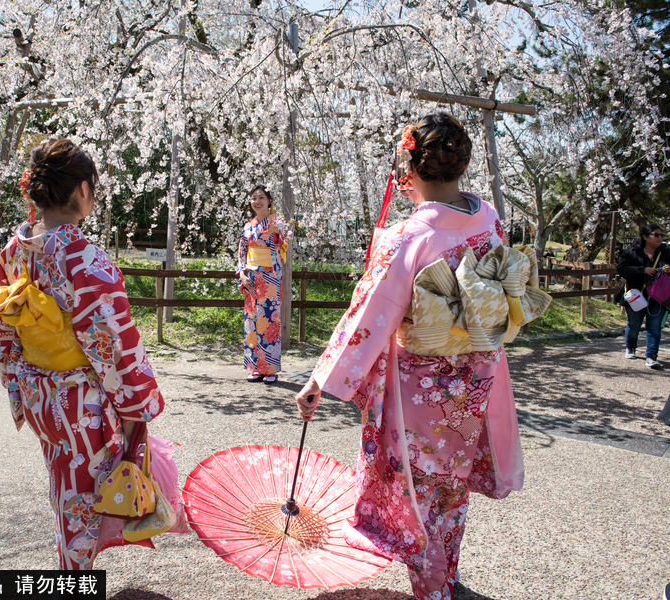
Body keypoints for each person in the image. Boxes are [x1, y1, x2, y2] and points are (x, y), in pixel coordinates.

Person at [294, 113, 548, 600]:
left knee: (420, 490)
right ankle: (443, 577)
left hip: (424, 386)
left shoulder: (410, 236)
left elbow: (371, 313)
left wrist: (321, 378)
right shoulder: (487, 218)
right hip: (475, 375)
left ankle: (431, 588)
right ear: (462, 165)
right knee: (449, 489)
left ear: (408, 168)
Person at [0, 139, 168, 569]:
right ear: (83, 190)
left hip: (38, 393)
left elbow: (2, 332)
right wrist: (134, 411)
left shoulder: (13, 252)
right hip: (80, 406)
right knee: (82, 514)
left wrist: (18, 388)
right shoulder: (84, 259)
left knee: (66, 492)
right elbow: (115, 345)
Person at [235, 185, 289, 384]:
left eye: (261, 197)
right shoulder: (248, 226)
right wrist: (241, 274)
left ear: (269, 200)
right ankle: (254, 367)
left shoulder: (277, 221)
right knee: (251, 321)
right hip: (250, 278)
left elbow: (285, 243)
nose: (257, 201)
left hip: (270, 277)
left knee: (269, 321)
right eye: (253, 198)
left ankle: (270, 369)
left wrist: (278, 233)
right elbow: (242, 253)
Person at [616, 223, 670, 369]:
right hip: (637, 295)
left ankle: (652, 356)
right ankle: (630, 346)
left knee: (654, 327)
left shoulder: (666, 252)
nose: (660, 238)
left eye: (661, 235)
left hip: (657, 296)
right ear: (645, 237)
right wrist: (643, 270)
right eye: (656, 235)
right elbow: (622, 269)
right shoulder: (632, 252)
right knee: (634, 325)